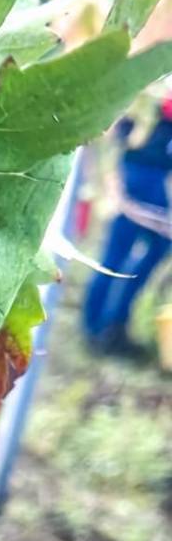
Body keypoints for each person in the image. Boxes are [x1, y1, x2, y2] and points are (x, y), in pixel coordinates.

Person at [82, 96, 172, 354]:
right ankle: (97, 327)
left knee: (154, 249)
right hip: (140, 172)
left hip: (156, 174)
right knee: (116, 254)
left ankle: (115, 324)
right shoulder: (155, 85)